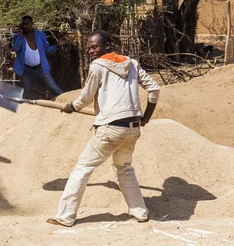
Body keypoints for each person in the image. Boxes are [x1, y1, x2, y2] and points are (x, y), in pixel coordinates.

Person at [47, 30, 160, 227]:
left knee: (82, 169)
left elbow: (86, 97)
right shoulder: (132, 63)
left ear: (108, 45)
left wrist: (71, 107)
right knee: (124, 168)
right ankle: (140, 212)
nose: (91, 51)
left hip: (111, 129)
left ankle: (65, 217)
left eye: (94, 46)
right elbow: (154, 89)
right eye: (89, 48)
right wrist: (146, 117)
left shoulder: (97, 66)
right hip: (133, 128)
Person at [12, 15, 65, 99]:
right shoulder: (18, 37)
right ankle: (22, 110)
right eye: (23, 24)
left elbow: (47, 50)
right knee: (24, 95)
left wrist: (57, 45)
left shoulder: (40, 35)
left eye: (27, 24)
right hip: (26, 70)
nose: (25, 26)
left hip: (41, 69)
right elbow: (16, 48)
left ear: (32, 24)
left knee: (56, 90)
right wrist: (20, 35)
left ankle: (63, 105)